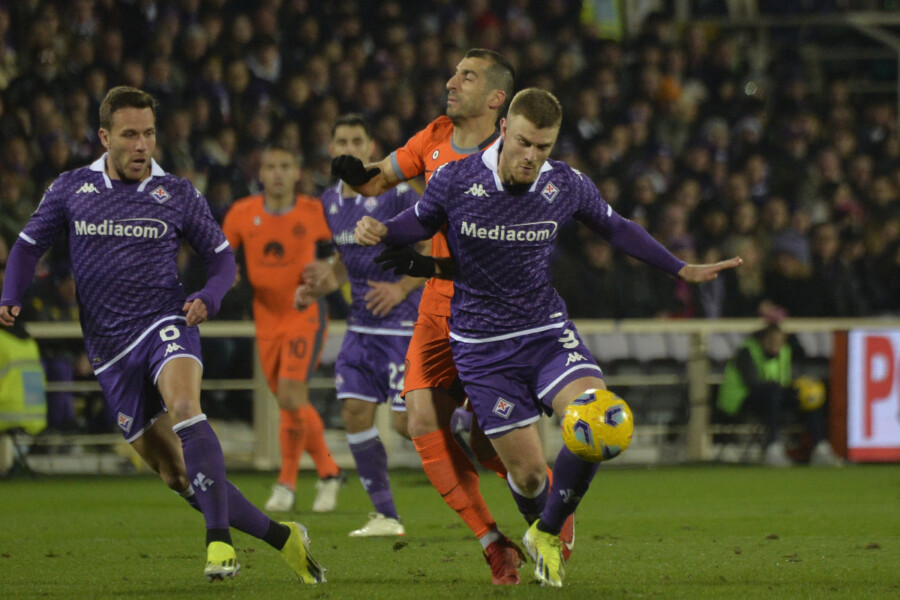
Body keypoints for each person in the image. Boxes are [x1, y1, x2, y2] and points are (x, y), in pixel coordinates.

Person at [355, 88, 743, 587]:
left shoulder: (565, 184)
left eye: (543, 147)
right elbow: (418, 222)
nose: (532, 156)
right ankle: (537, 523)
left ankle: (547, 532)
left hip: (546, 333)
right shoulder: (456, 179)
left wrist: (680, 268)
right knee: (530, 476)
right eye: (524, 143)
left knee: (602, 421)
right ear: (503, 131)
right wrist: (382, 230)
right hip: (482, 349)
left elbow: (617, 228)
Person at [0, 86, 324, 584]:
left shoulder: (176, 193)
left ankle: (219, 544)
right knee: (177, 475)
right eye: (130, 135)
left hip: (165, 323)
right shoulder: (71, 189)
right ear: (104, 137)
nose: (142, 145)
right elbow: (26, 246)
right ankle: (285, 539)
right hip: (109, 351)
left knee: (185, 406)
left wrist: (209, 296)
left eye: (149, 134)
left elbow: (222, 260)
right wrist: (10, 294)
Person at [331, 48, 529, 584]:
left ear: (496, 97)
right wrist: (357, 175)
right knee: (420, 422)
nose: (451, 82)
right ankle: (493, 543)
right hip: (439, 305)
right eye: (453, 73)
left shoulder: (514, 154)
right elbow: (378, 180)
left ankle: (550, 508)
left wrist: (423, 262)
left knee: (492, 443)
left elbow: (503, 249)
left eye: (467, 77)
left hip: (494, 309)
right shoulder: (435, 136)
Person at [297, 113, 426, 536]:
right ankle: (386, 516)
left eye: (357, 141)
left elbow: (433, 248)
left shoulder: (399, 194)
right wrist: (318, 287)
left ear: (371, 148)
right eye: (342, 141)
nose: (350, 148)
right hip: (361, 328)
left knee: (408, 425)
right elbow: (343, 259)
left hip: (404, 326)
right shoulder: (330, 201)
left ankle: (466, 418)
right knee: (354, 412)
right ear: (331, 149)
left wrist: (400, 289)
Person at [222, 144, 344, 513]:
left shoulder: (313, 211)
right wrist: (227, 271)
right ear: (260, 174)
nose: (277, 173)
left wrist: (330, 268)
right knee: (290, 402)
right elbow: (219, 253)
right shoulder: (242, 213)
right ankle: (325, 474)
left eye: (285, 166)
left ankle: (290, 482)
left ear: (296, 173)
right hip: (266, 317)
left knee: (291, 396)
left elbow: (350, 243)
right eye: (271, 166)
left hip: (304, 312)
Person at [717, 322, 843, 467]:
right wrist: (781, 389)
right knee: (772, 394)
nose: (775, 345)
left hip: (774, 399)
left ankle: (820, 448)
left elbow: (786, 380)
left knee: (808, 396)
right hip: (740, 402)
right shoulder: (747, 351)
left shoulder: (784, 352)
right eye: (771, 341)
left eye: (779, 342)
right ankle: (772, 448)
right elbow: (753, 384)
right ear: (762, 340)